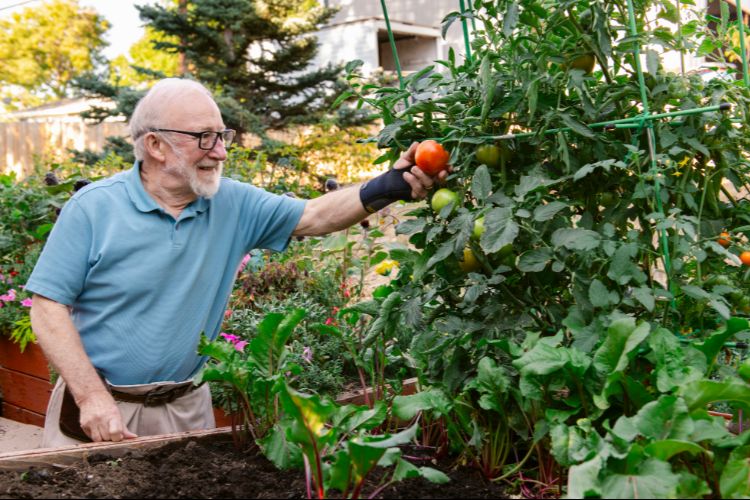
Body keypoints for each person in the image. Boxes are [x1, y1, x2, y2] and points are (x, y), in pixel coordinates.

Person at [26, 78, 448, 447]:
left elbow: (315, 215)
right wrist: (90, 397)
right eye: (204, 138)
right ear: (155, 145)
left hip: (186, 406)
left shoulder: (232, 203)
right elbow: (47, 308)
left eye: (222, 135)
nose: (221, 152)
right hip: (101, 410)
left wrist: (391, 184)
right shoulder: (93, 208)